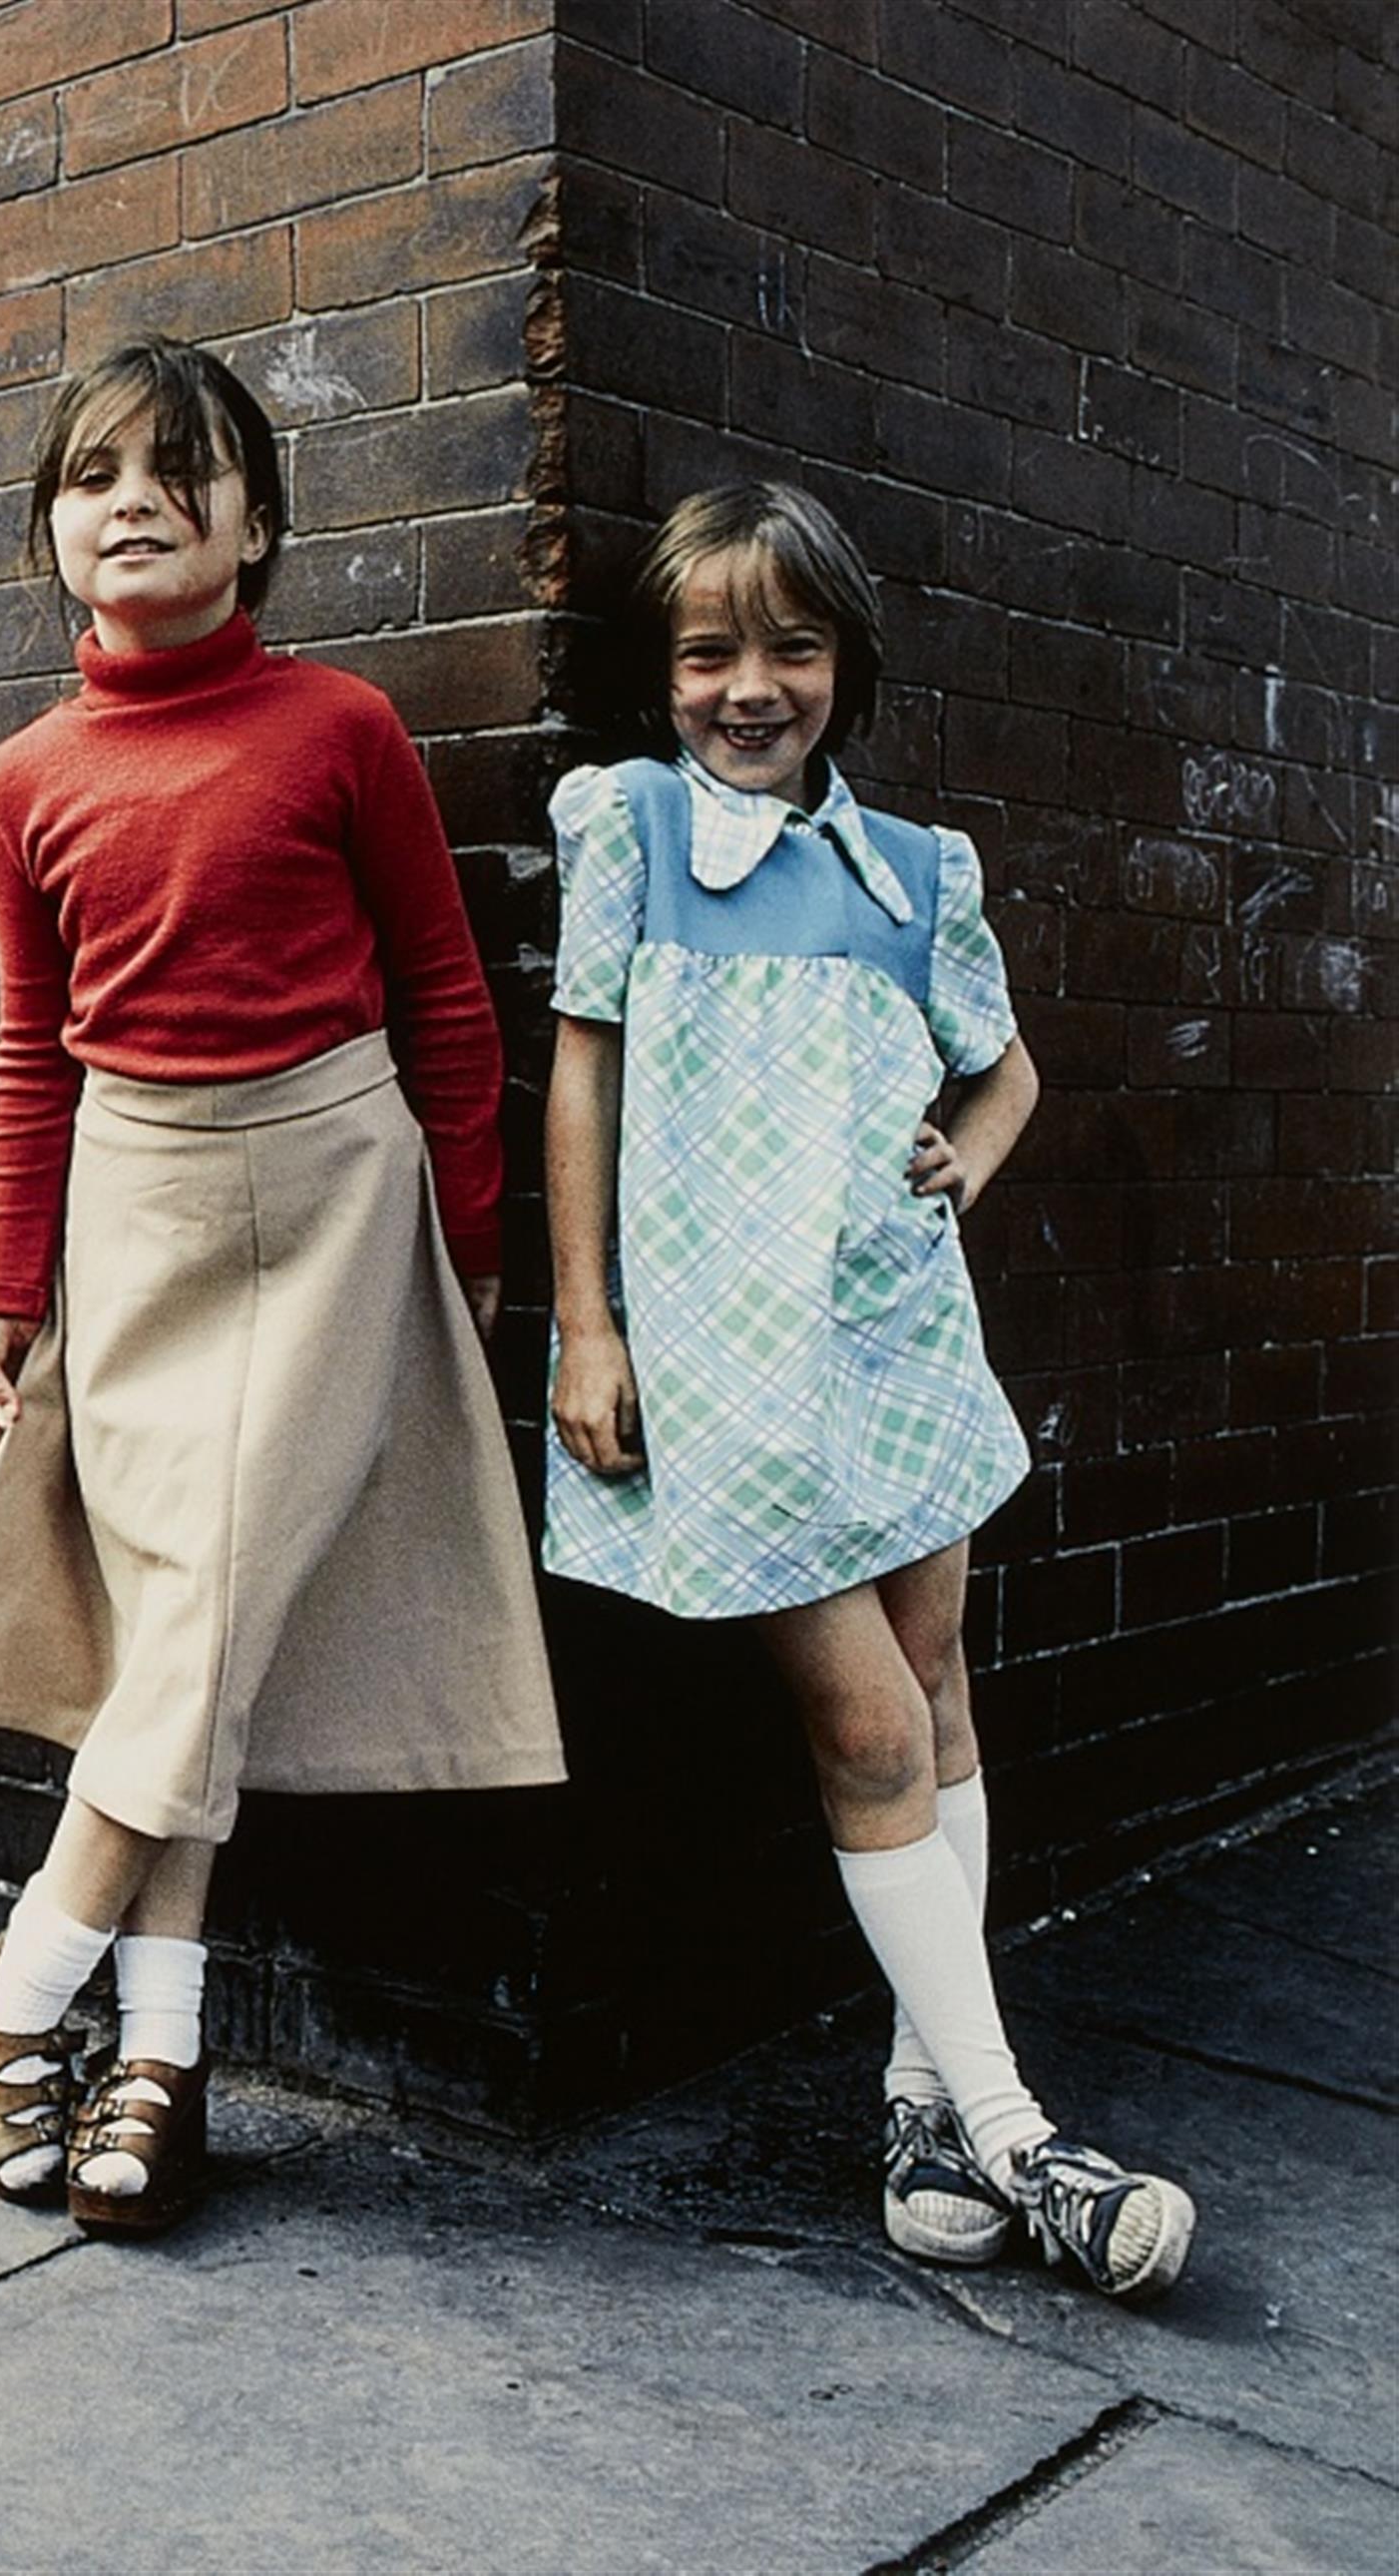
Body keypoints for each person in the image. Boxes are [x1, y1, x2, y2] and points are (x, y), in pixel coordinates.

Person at [0, 339, 564, 2235]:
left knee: (206, 1617)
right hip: (140, 1211)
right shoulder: (25, 777)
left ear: (258, 527)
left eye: (186, 476)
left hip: (339, 1195)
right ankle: (162, 2060)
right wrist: (0, 1297)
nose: (139, 505)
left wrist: (479, 1240)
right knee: (193, 1642)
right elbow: (35, 1051)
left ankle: (19, 1995)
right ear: (51, 535)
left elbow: (443, 990)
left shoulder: (340, 729)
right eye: (97, 477)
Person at [543, 482, 1191, 2301]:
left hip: (894, 1338)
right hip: (722, 1364)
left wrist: (963, 1164)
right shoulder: (635, 832)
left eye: (792, 648)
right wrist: (590, 1325)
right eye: (708, 652)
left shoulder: (916, 874)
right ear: (663, 674)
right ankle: (1016, 2130)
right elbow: (580, 1076)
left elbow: (1008, 1077)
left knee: (938, 1693)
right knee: (869, 1729)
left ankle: (921, 2111)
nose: (752, 687)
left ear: (848, 662)